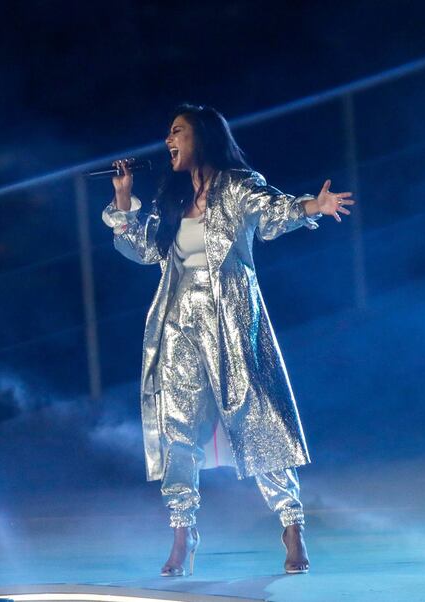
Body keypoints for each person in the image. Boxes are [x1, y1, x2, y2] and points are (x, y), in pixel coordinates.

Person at [101, 103, 354, 576]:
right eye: (167, 133)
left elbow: (275, 211)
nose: (168, 141)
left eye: (177, 131)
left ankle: (292, 525)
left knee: (259, 417)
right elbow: (141, 250)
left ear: (203, 136)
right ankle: (183, 535)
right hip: (178, 324)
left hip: (233, 320)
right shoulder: (172, 199)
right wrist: (122, 199)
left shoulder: (238, 185)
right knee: (178, 430)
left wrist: (312, 206)